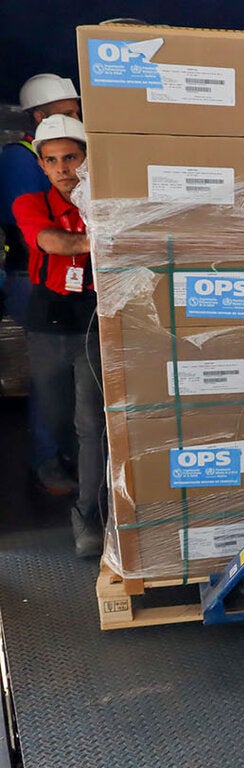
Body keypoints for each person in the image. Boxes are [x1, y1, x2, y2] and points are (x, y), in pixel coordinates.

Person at [11, 115, 105, 558]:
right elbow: (50, 242)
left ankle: (88, 516)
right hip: (47, 321)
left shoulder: (105, 202)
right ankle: (64, 467)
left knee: (91, 424)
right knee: (56, 419)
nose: (65, 169)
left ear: (87, 159)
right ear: (43, 167)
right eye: (53, 161)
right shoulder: (30, 204)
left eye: (72, 157)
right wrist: (104, 238)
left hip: (92, 320)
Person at [2, 74, 81, 495]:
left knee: (80, 383)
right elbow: (37, 223)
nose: (75, 119)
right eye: (66, 113)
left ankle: (77, 457)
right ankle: (48, 460)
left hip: (76, 276)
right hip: (32, 276)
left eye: (76, 112)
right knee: (50, 379)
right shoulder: (21, 159)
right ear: (39, 116)